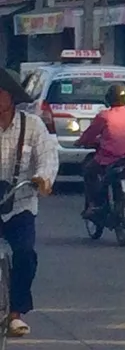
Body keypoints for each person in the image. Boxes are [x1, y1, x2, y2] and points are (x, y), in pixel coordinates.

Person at [0, 68, 58, 338]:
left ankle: (15, 314)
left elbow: (47, 156)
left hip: (20, 202)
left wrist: (43, 178)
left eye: (1, 93)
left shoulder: (32, 125)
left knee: (25, 255)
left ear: (12, 98)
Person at [76, 83, 125, 218]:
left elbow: (89, 134)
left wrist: (80, 142)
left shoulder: (104, 116)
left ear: (109, 98)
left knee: (89, 172)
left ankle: (96, 204)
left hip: (110, 159)